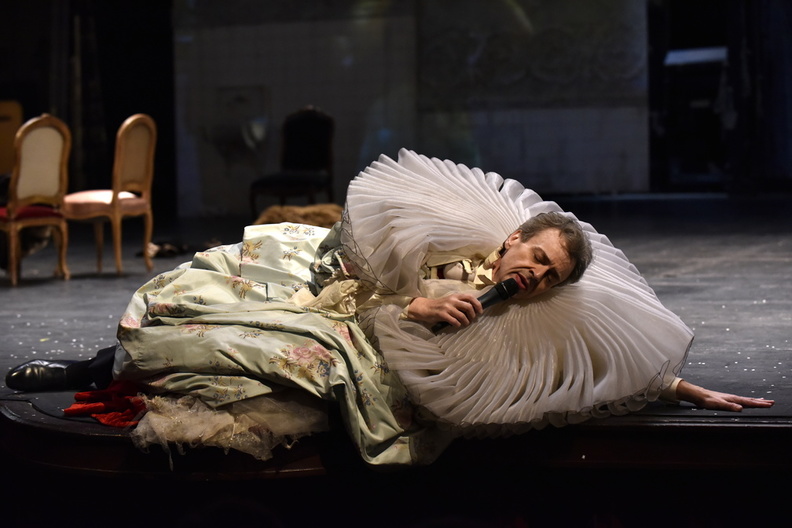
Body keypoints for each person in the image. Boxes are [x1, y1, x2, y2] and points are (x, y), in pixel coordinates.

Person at [5, 149, 774, 465]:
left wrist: (675, 386)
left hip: (364, 346)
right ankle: (95, 362)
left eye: (551, 275)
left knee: (248, 352)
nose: (536, 275)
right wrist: (409, 300)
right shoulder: (453, 232)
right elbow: (356, 257)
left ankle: (107, 369)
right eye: (535, 257)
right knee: (212, 288)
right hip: (341, 291)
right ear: (513, 240)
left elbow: (587, 370)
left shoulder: (526, 318)